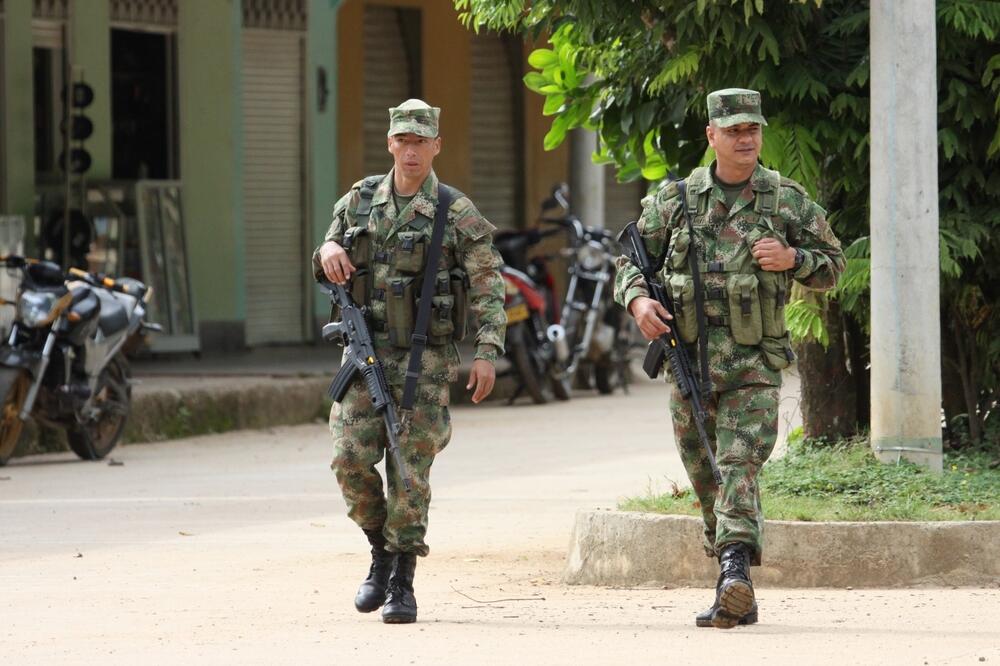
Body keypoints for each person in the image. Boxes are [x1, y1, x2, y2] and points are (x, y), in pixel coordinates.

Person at [614, 88, 844, 629]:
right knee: (705, 475)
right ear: (712, 136)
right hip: (687, 365)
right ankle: (735, 586)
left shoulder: (785, 200)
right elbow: (629, 261)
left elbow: (834, 265)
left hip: (753, 366)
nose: (745, 139)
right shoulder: (676, 200)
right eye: (734, 130)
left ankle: (734, 570)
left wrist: (794, 257)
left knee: (738, 465)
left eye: (752, 130)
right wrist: (638, 301)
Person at [313, 99, 505, 624]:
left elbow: (489, 285)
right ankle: (379, 548)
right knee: (348, 459)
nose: (412, 150)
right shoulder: (359, 201)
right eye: (404, 140)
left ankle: (401, 578)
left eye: (421, 141)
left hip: (425, 360)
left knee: (409, 469)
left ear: (436, 145)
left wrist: (487, 353)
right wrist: (327, 250)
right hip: (363, 354)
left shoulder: (454, 210)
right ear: (390, 143)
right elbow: (327, 253)